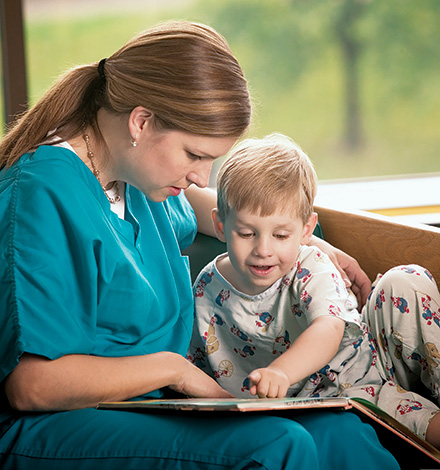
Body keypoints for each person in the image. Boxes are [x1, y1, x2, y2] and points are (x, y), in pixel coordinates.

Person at [0, 20, 399, 469]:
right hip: (60, 424)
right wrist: (174, 369)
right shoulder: (41, 196)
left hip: (151, 406)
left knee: (341, 434)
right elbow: (31, 386)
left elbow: (212, 207)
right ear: (141, 121)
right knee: (277, 446)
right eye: (195, 155)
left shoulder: (136, 180)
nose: (199, 175)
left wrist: (311, 243)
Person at [188, 133, 440, 448]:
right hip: (341, 396)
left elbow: (329, 328)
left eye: (280, 235)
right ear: (221, 224)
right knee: (427, 427)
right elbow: (197, 361)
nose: (263, 249)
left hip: (361, 358)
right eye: (247, 233)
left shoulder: (311, 265)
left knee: (406, 280)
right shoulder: (206, 288)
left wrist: (281, 372)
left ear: (307, 230)